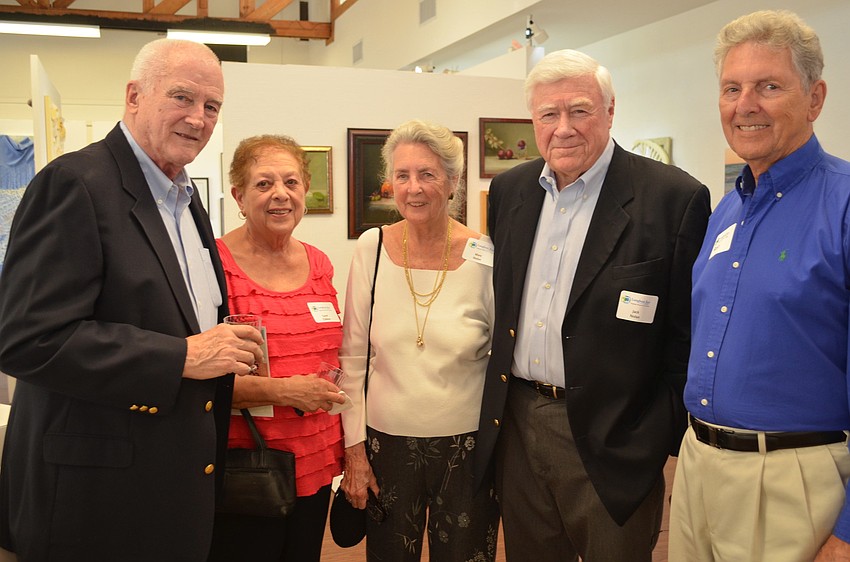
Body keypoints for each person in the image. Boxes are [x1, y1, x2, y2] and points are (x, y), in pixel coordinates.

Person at [0, 39, 266, 561]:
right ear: (134, 95)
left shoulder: (186, 201)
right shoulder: (75, 183)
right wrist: (183, 356)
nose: (198, 118)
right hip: (95, 504)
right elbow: (25, 338)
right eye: (182, 98)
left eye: (212, 106)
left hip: (168, 491)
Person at [473, 49, 712, 561]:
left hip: (614, 440)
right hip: (518, 427)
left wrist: (650, 438)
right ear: (532, 121)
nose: (563, 128)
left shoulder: (673, 198)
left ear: (609, 111)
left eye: (579, 110)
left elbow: (687, 337)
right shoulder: (511, 191)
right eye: (548, 114)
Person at [668, 10, 850, 562]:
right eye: (731, 88)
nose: (744, 105)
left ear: (815, 99)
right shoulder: (725, 210)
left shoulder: (842, 206)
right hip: (700, 466)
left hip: (795, 482)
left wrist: (847, 532)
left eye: (769, 86)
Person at [338, 119, 500, 561]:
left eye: (427, 174)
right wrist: (354, 452)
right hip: (385, 446)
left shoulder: (484, 255)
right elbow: (351, 360)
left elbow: (502, 359)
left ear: (452, 182)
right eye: (403, 175)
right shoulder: (370, 249)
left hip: (466, 450)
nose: (413, 188)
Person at [207, 134, 347, 562]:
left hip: (316, 456)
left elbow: (333, 353)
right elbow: (202, 374)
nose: (280, 195)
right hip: (247, 463)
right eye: (264, 184)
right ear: (239, 196)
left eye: (291, 182)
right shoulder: (215, 265)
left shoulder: (319, 263)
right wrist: (286, 392)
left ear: (305, 191)